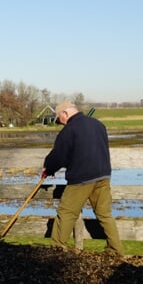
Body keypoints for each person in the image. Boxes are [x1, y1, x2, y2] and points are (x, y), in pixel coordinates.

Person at [42, 100, 125, 257]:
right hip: (103, 175)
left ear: (65, 114)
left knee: (66, 212)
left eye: (59, 119)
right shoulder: (98, 125)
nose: (60, 123)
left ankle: (57, 250)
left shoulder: (69, 131)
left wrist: (49, 168)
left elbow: (58, 157)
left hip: (81, 178)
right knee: (104, 214)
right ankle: (116, 250)